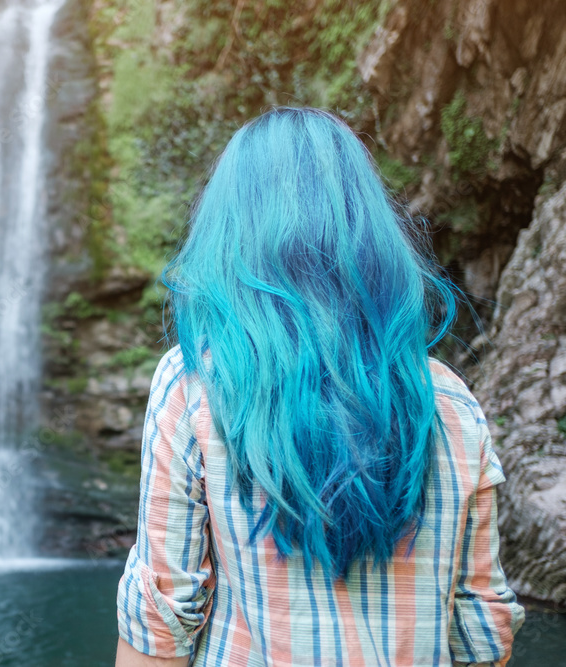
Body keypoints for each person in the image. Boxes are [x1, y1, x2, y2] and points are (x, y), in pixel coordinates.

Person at [114, 107, 525, 667]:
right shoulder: (452, 403)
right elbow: (482, 631)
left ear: (230, 230)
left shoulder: (195, 386)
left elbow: (161, 623)